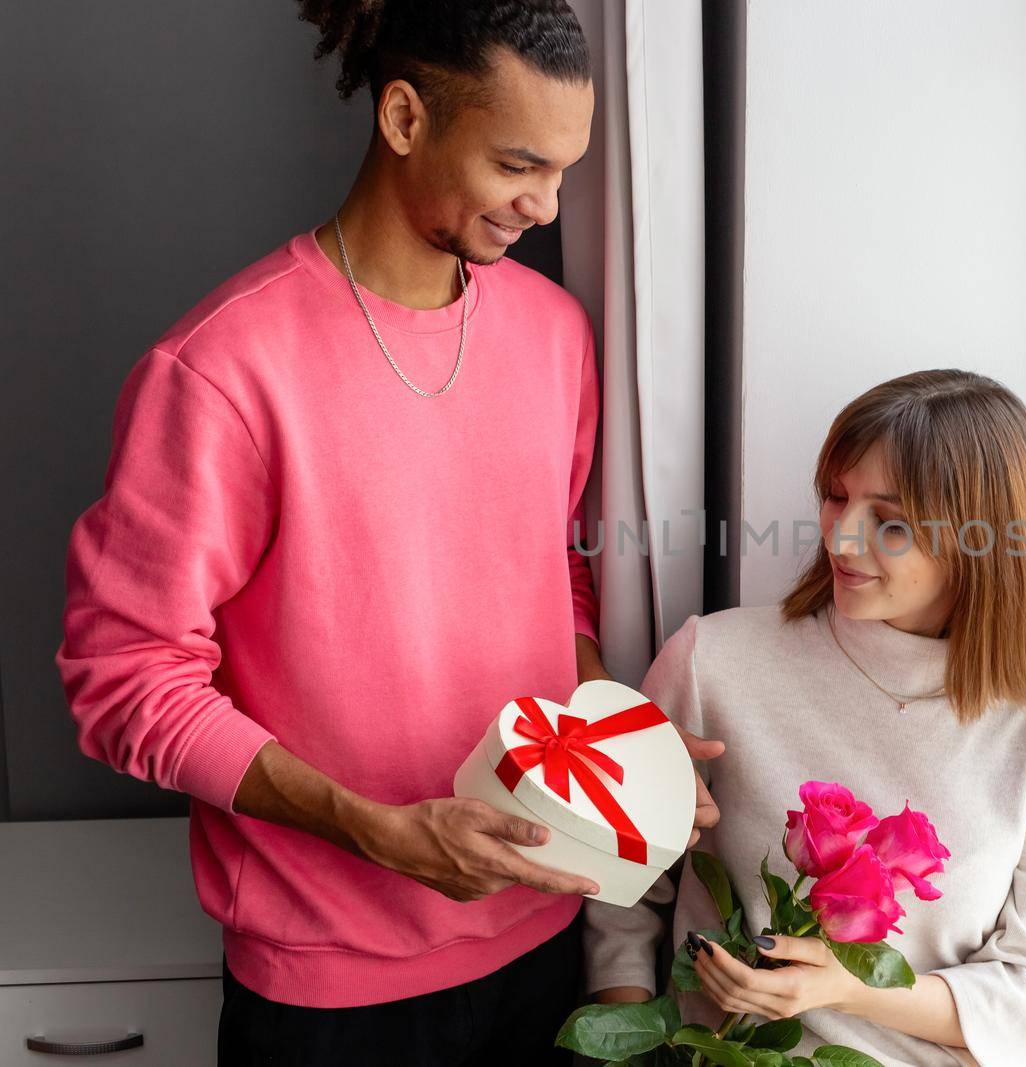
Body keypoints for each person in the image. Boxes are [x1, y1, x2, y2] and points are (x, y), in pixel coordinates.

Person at [54, 2, 718, 1063]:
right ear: (406, 117)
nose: (544, 207)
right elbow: (123, 677)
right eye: (516, 163)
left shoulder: (554, 334)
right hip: (328, 991)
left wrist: (610, 752)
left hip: (546, 935)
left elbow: (551, 578)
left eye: (563, 169)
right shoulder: (221, 371)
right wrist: (376, 825)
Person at [584, 370, 1026, 1066]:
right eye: (836, 496)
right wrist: (621, 1051)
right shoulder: (713, 662)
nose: (840, 538)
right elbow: (619, 895)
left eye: (889, 521)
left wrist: (849, 989)